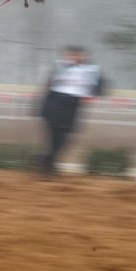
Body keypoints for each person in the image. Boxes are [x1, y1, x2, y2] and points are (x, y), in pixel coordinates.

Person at [39, 46, 106, 176]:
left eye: (78, 55)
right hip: (55, 104)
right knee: (54, 137)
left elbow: (101, 87)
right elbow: (49, 85)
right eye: (71, 56)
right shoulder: (59, 67)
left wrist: (92, 93)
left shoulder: (91, 70)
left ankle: (47, 160)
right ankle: (49, 165)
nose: (74, 58)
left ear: (83, 57)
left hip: (72, 106)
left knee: (64, 138)